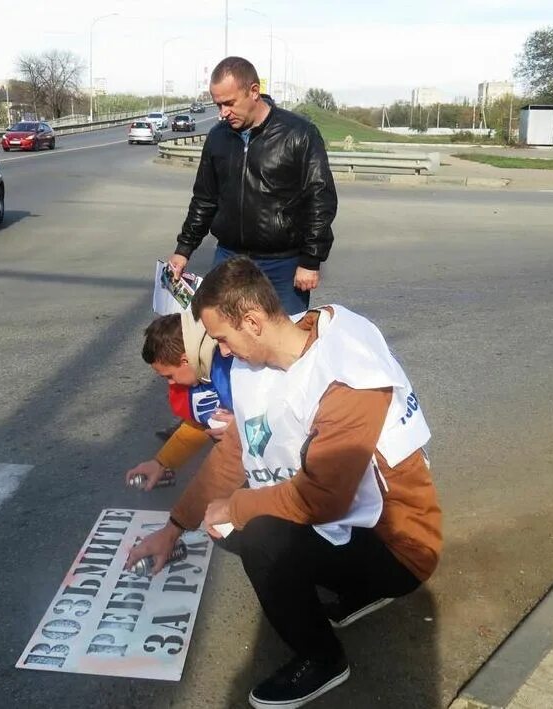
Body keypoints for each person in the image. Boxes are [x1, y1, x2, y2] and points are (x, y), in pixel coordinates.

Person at [125, 257, 442, 709]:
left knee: (256, 535)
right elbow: (235, 452)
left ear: (252, 322)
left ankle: (322, 659)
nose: (222, 352)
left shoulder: (347, 374)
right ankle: (357, 591)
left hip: (402, 546)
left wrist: (238, 508)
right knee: (226, 523)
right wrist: (174, 528)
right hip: (353, 525)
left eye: (222, 339)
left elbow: (324, 498)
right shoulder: (269, 351)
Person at [166, 56, 338, 316]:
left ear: (254, 91)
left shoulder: (299, 133)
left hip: (283, 264)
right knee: (222, 341)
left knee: (283, 349)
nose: (223, 113)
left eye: (229, 103)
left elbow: (320, 199)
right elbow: (205, 199)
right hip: (229, 259)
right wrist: (183, 250)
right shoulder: (217, 137)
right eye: (218, 105)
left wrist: (311, 260)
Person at [125, 311, 234, 490]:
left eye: (170, 376)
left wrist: (247, 424)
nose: (171, 383)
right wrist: (160, 463)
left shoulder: (233, 362)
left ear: (185, 360)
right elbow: (199, 424)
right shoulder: (200, 369)